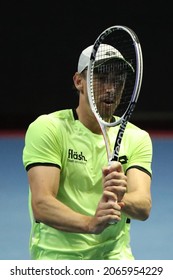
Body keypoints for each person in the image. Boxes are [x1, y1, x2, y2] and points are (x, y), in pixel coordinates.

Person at [22, 43, 153, 260]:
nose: (111, 88)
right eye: (101, 79)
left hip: (114, 256)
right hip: (58, 257)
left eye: (118, 80)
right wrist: (90, 224)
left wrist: (122, 198)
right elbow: (42, 204)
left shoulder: (136, 137)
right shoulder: (49, 128)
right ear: (78, 81)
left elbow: (143, 207)